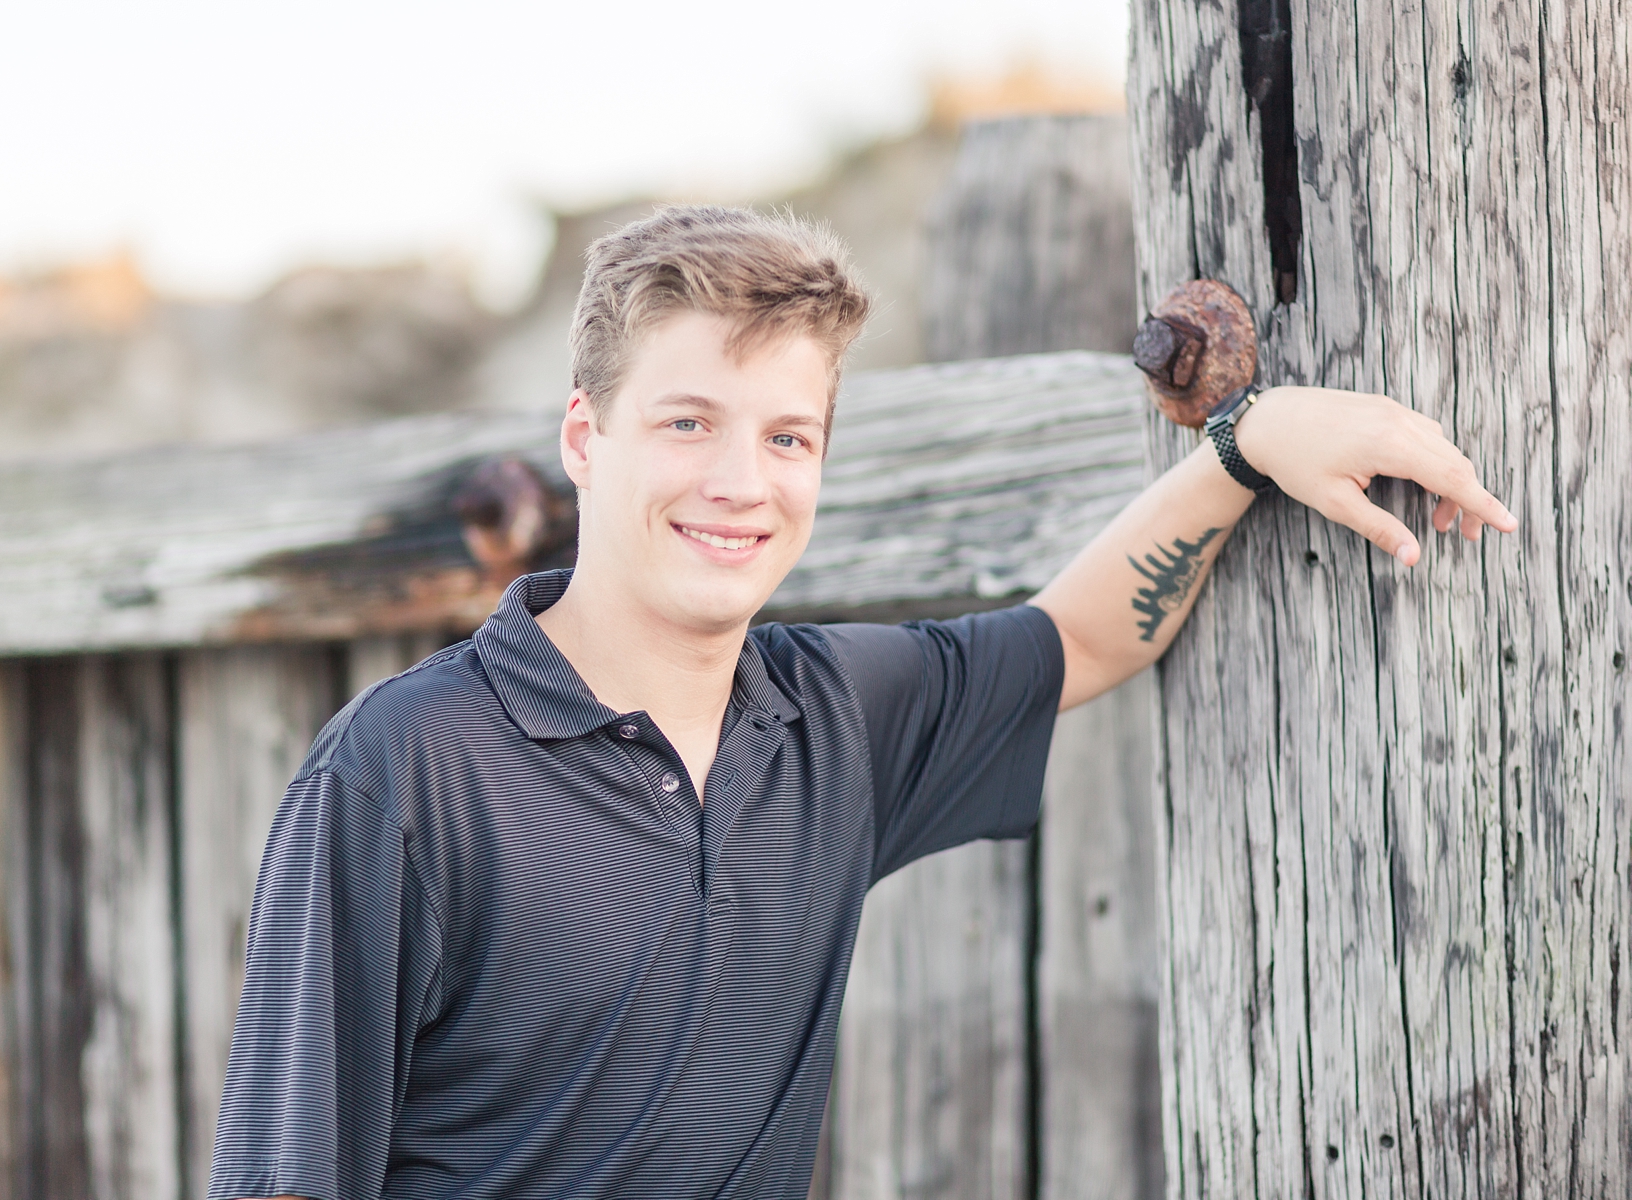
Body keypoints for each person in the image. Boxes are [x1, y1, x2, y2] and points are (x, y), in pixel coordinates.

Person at [207, 206, 1515, 1200]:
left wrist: (1246, 446)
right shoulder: (403, 777)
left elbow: (1075, 635)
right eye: (686, 424)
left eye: (787, 438)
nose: (741, 482)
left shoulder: (828, 718)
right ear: (583, 438)